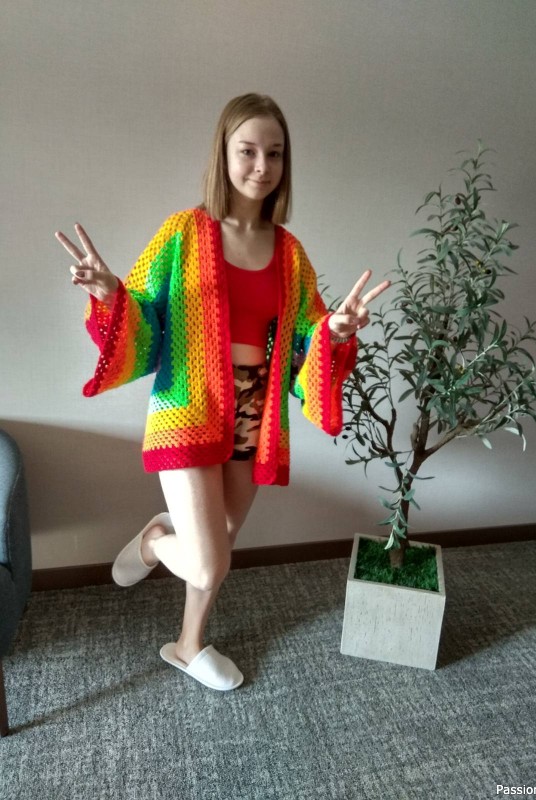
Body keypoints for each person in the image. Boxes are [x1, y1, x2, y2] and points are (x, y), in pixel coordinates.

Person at [55, 93, 390, 691]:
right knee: (209, 561)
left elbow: (306, 338)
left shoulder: (290, 252)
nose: (262, 166)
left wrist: (335, 331)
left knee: (224, 541)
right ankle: (156, 541)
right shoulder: (182, 233)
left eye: (275, 153)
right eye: (248, 151)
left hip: (256, 411)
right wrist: (111, 295)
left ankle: (187, 645)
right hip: (188, 407)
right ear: (224, 154)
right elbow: (145, 321)